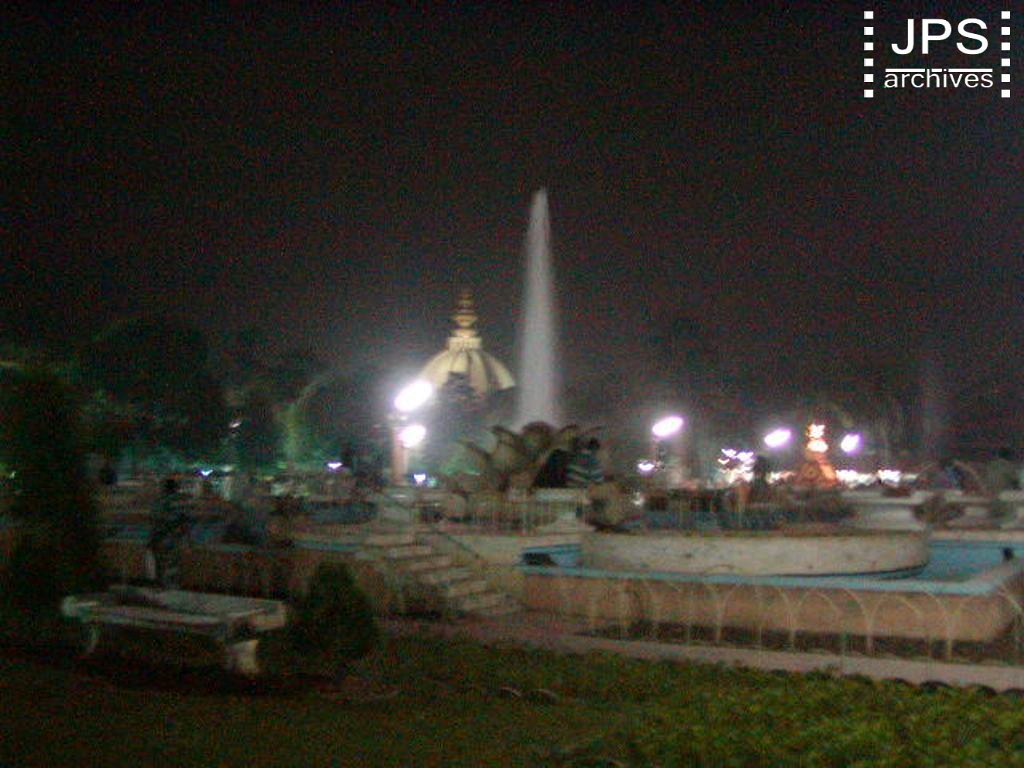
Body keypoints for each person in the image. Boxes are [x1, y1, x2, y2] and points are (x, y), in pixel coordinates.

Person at [147, 477, 193, 587]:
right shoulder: (180, 501)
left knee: (161, 562)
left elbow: (155, 518)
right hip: (174, 536)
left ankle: (161, 584)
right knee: (173, 563)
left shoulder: (160, 501)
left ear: (164, 488)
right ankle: (172, 585)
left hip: (161, 536)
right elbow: (184, 519)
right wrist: (187, 538)